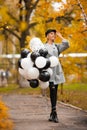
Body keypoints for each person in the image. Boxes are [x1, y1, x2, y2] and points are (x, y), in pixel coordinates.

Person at [44, 29, 70, 123]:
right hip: (49, 72)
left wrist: (61, 36)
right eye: (51, 33)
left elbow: (67, 44)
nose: (53, 35)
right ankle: (54, 113)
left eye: (54, 34)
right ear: (47, 36)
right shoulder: (43, 47)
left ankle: (53, 113)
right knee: (52, 91)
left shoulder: (57, 46)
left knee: (55, 92)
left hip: (57, 72)